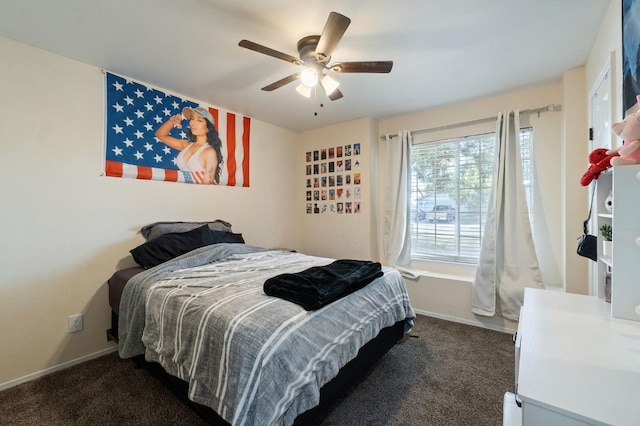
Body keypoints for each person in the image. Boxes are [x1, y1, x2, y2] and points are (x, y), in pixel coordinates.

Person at [155, 106, 223, 184]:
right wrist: (171, 122)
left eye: (199, 120)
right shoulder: (186, 145)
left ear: (208, 128)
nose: (193, 123)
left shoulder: (209, 152)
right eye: (192, 119)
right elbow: (160, 135)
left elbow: (208, 185)